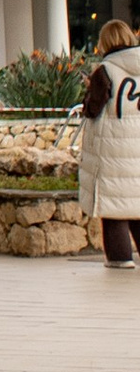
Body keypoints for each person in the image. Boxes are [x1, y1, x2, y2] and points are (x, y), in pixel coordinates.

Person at [78, 18, 140, 267]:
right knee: (136, 205)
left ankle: (120, 260)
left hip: (112, 149)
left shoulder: (105, 71)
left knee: (113, 209)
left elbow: (93, 108)